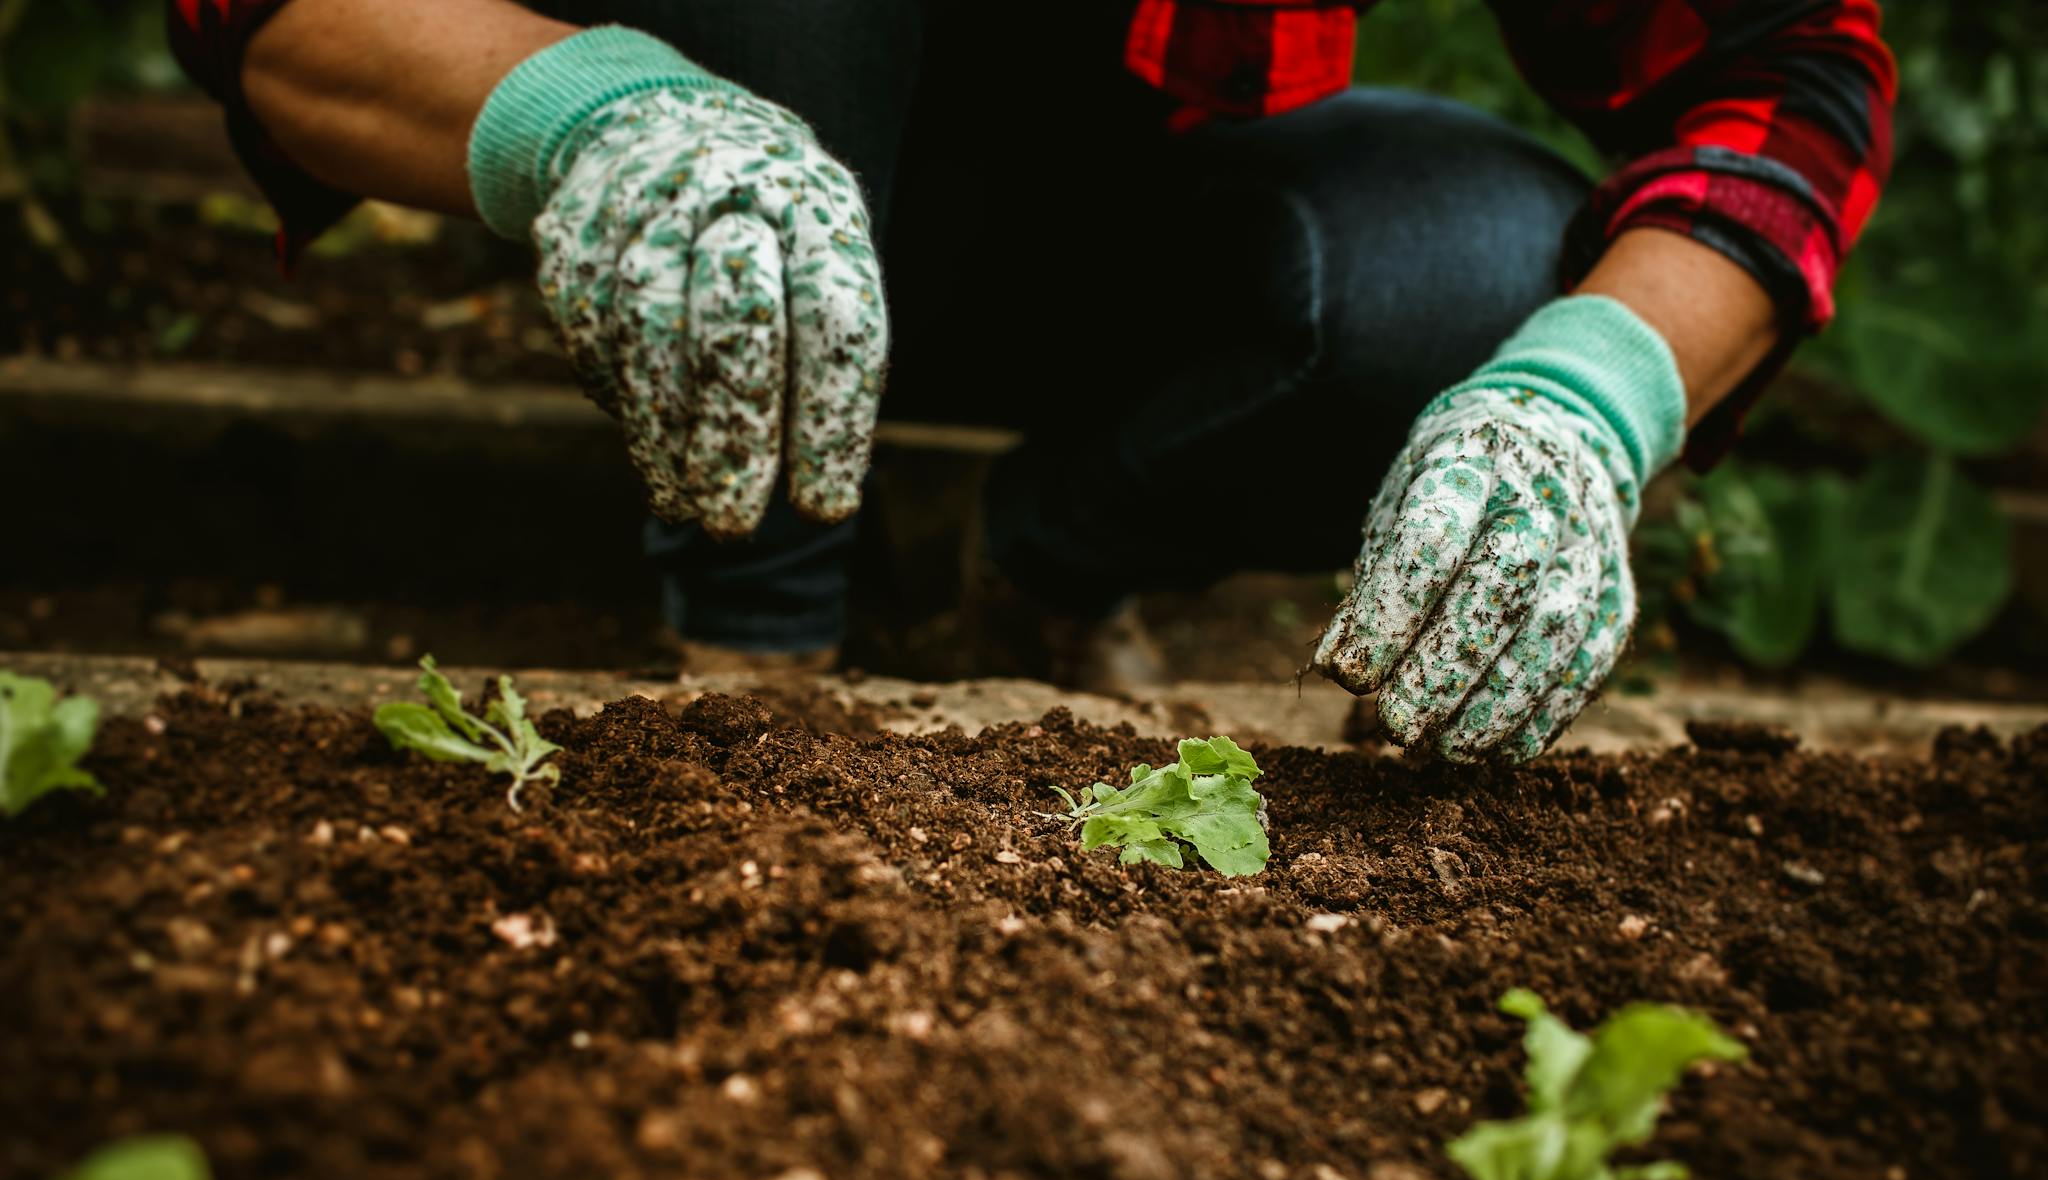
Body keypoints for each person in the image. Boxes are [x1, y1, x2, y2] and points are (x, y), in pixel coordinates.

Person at [169, 0, 1895, 763]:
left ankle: (1036, 562)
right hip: (711, 158)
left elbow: (1785, 62)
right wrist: (596, 120)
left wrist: (1594, 395)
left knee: (1475, 265)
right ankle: (754, 640)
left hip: (1104, 233)